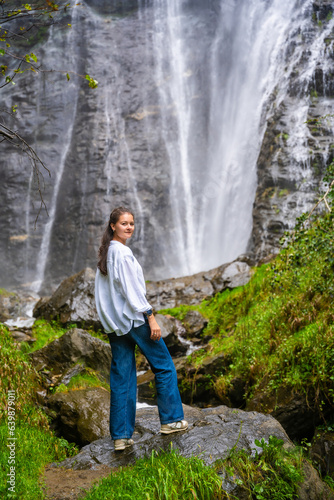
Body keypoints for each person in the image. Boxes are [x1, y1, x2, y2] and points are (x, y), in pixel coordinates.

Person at [95, 207, 188, 451]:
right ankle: (172, 420)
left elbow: (104, 296)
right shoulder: (122, 254)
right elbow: (132, 291)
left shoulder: (106, 254)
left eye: (132, 223)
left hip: (116, 325)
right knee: (164, 366)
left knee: (123, 378)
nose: (129, 227)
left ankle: (121, 436)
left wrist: (109, 321)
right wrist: (150, 316)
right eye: (124, 223)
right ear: (113, 226)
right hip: (134, 320)